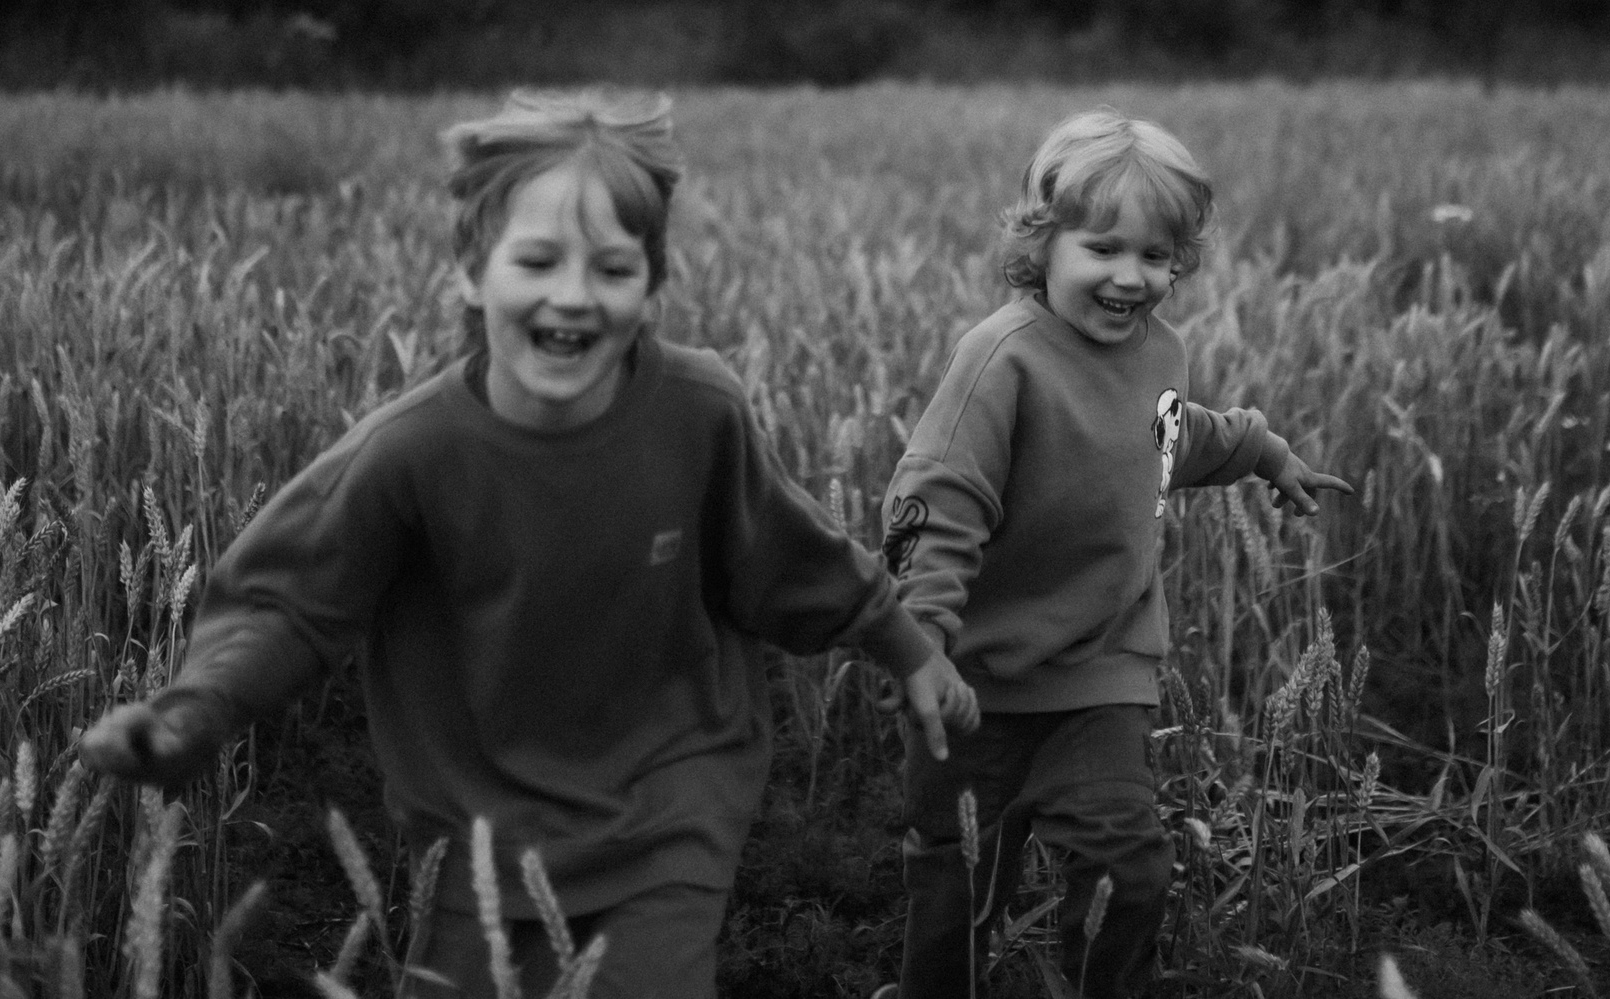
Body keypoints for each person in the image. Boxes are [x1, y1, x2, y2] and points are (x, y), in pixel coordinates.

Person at [83, 89, 976, 999]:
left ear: (652, 285)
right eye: (538, 260)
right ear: (473, 272)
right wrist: (196, 713)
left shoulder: (697, 413)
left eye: (613, 268)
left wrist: (905, 648)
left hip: (671, 805)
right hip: (477, 832)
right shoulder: (413, 452)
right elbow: (291, 603)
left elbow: (789, 555)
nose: (573, 295)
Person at [876, 107, 1354, 998]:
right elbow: (939, 505)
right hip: (975, 677)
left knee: (1129, 866)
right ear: (1040, 245)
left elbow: (1168, 436)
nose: (1131, 276)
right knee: (958, 879)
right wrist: (922, 641)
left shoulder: (1157, 350)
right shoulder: (1002, 360)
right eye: (1103, 249)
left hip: (1102, 669)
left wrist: (1258, 449)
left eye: (1157, 256)